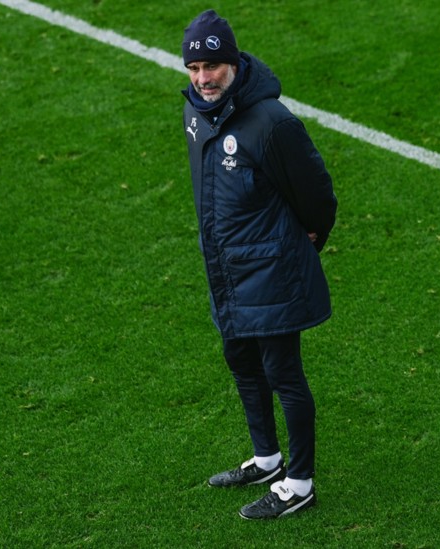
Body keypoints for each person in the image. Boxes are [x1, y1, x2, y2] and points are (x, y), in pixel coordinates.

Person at [179, 10, 337, 520]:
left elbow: (316, 194)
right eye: (194, 68)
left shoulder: (273, 123)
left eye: (213, 67)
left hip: (270, 269)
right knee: (242, 362)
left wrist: (309, 238)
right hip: (227, 269)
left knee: (283, 373)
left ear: (234, 63)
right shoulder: (196, 113)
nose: (203, 79)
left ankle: (300, 483)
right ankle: (267, 459)